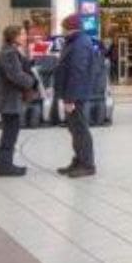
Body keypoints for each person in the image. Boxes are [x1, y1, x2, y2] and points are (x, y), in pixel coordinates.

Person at [0, 25, 39, 177]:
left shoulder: (11, 51)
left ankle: (6, 164)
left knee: (10, 130)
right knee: (10, 132)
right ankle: (5, 166)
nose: (25, 37)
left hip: (8, 98)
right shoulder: (9, 53)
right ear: (14, 36)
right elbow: (15, 75)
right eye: (22, 34)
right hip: (9, 99)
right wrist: (32, 82)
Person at [53, 15, 96, 178]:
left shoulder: (80, 44)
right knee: (75, 129)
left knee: (80, 130)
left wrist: (70, 98)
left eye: (63, 27)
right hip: (72, 93)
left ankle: (87, 165)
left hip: (76, 94)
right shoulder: (74, 42)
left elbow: (77, 72)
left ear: (70, 27)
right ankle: (78, 160)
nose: (62, 30)